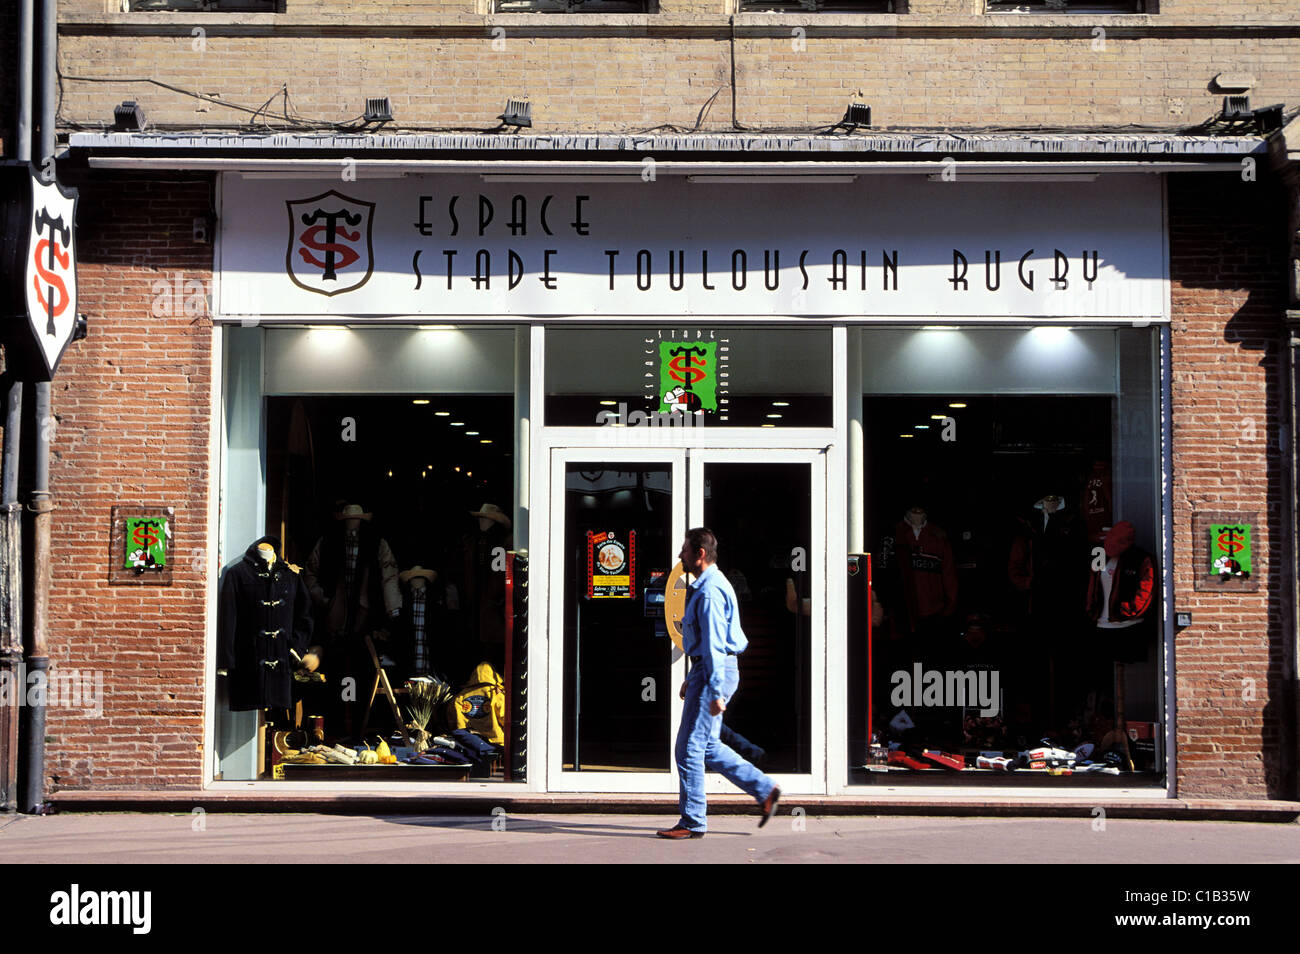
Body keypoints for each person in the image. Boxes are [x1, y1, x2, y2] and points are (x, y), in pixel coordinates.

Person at [657, 527, 780, 839]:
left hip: (715, 670)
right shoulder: (708, 585)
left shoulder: (710, 591)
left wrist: (712, 690)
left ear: (700, 554)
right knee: (708, 746)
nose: (679, 555)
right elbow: (708, 646)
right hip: (710, 670)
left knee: (688, 749)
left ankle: (692, 821)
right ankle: (764, 788)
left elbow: (713, 644)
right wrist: (692, 678)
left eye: (684, 550)